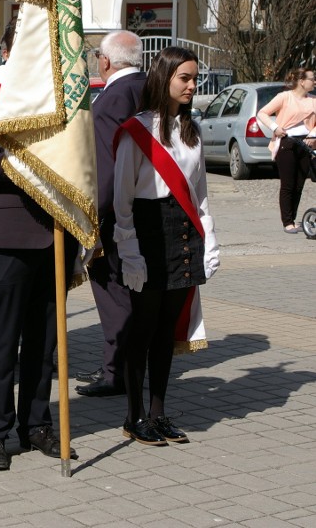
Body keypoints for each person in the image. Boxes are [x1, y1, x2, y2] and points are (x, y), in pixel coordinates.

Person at [0, 23, 78, 471]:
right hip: (8, 234)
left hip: (55, 231)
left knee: (45, 340)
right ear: (9, 49)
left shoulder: (59, 97)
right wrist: (27, 157)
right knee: (4, 339)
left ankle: (37, 424)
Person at [113, 46, 220, 446]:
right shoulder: (136, 130)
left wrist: (209, 239)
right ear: (165, 79)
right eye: (185, 78)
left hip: (182, 235)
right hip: (148, 231)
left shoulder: (192, 131)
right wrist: (129, 250)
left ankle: (158, 413)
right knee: (142, 331)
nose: (193, 85)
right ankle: (134, 415)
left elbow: (201, 194)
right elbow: (121, 200)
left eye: (195, 78)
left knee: (165, 334)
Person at [76, 30, 146, 397]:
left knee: (112, 289)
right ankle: (132, 365)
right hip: (149, 206)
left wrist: (92, 216)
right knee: (136, 291)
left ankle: (116, 370)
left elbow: (107, 165)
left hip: (117, 213)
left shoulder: (111, 99)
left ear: (105, 61)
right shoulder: (149, 87)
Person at [256, 67, 316, 234]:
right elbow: (263, 113)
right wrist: (275, 127)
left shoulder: (313, 100)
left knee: (299, 185)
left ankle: (294, 219)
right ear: (302, 81)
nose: (315, 81)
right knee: (288, 184)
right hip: (287, 143)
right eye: (312, 79)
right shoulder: (284, 97)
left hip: (306, 144)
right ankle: (287, 222)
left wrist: (313, 136)